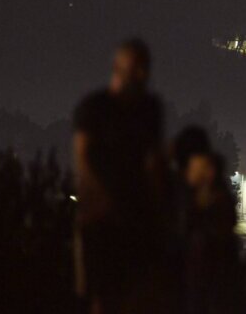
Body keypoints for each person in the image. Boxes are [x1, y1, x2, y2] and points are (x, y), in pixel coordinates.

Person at [73, 39, 174, 313]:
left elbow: (153, 162)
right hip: (102, 221)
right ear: (118, 66)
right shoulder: (95, 108)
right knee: (104, 298)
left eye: (144, 67)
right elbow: (83, 161)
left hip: (137, 220)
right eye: (136, 67)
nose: (142, 74)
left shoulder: (149, 108)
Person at [179, 138, 242, 314]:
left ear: (209, 172)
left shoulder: (214, 207)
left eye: (193, 167)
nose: (188, 171)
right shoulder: (201, 204)